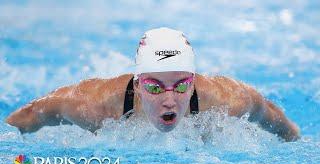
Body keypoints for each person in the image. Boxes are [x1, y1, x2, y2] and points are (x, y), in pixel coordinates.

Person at [5, 27, 300, 141]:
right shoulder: (95, 106)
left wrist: (296, 141)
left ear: (193, 81)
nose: (170, 99)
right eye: (155, 87)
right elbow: (31, 114)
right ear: (137, 83)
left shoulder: (224, 100)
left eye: (181, 85)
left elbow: (268, 111)